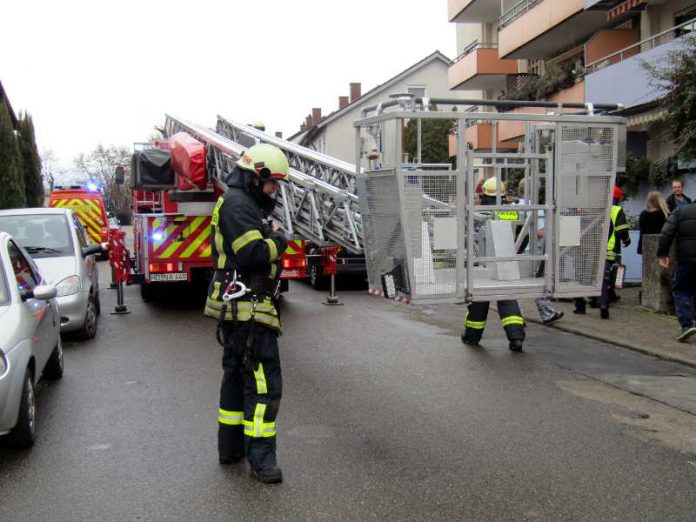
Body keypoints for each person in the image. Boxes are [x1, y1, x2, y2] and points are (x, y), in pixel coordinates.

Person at [204, 143, 290, 484]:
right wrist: (279, 241)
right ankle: (262, 459)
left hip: (239, 306)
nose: (275, 190)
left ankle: (231, 449)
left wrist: (268, 233)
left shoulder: (239, 202)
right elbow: (254, 253)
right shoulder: (239, 204)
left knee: (237, 378)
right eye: (272, 184)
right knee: (263, 383)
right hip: (248, 307)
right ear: (258, 177)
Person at [462, 178, 526, 351]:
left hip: (485, 264)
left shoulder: (480, 211)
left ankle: (472, 336)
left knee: (479, 300)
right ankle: (516, 337)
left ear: (484, 193)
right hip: (507, 261)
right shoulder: (513, 211)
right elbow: (524, 233)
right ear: (504, 194)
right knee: (507, 298)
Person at [574, 186, 630, 319]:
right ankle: (603, 303)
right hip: (608, 252)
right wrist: (627, 240)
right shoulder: (616, 211)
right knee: (604, 278)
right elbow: (622, 231)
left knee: (582, 277)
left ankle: (580, 306)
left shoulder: (595, 209)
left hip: (589, 249)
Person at [514, 179, 563, 325]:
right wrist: (555, 231)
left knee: (514, 287)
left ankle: (517, 318)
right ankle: (547, 314)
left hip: (514, 251)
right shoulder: (537, 209)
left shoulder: (513, 206)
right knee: (538, 283)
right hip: (533, 252)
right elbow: (539, 232)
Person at [657, 199, 696, 341]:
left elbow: (666, 234)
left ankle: (687, 325)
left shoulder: (681, 211)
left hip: (687, 260)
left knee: (681, 290)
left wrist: (662, 254)